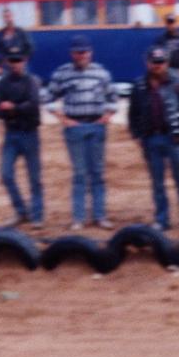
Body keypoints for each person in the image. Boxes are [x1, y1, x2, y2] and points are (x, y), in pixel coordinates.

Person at [46, 34, 116, 230]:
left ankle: (100, 216)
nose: (82, 55)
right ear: (72, 54)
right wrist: (62, 118)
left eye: (85, 52)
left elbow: (113, 96)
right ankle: (78, 218)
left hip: (97, 127)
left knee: (98, 173)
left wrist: (108, 115)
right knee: (79, 174)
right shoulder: (62, 74)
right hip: (75, 128)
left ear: (90, 52)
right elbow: (48, 97)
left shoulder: (101, 73)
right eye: (78, 52)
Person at [128, 46, 179, 230]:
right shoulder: (139, 85)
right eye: (154, 62)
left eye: (161, 62)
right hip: (151, 139)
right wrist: (137, 135)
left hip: (173, 139)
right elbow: (133, 113)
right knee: (157, 184)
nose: (158, 66)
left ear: (167, 62)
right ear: (147, 63)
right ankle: (162, 220)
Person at [0, 43, 44, 228]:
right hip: (11, 134)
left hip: (29, 133)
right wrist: (19, 108)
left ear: (25, 60)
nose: (15, 64)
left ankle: (37, 216)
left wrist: (12, 107)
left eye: (18, 60)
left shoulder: (32, 81)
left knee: (34, 178)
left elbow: (34, 106)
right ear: (7, 61)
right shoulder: (2, 83)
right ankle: (21, 211)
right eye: (12, 61)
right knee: (6, 175)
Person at [154, 13, 179, 80]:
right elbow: (157, 57)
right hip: (167, 71)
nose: (171, 25)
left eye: (172, 22)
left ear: (177, 23)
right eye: (169, 22)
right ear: (166, 24)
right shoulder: (161, 39)